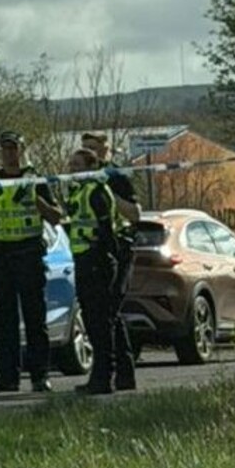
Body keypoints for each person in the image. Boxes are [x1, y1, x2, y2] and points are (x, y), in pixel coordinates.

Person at [0, 130, 64, 393]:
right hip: (1, 257)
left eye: (14, 148)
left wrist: (37, 202)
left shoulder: (35, 179)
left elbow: (57, 217)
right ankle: (8, 377)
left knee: (35, 319)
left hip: (29, 255)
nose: (10, 154)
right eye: (5, 149)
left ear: (21, 149)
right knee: (4, 320)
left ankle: (40, 376)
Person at [82, 132, 142, 390]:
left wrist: (107, 191)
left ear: (105, 150)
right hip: (93, 252)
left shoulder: (115, 176)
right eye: (85, 148)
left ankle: (117, 373)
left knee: (109, 312)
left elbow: (135, 213)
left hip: (118, 247)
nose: (89, 153)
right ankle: (116, 373)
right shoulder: (81, 178)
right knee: (99, 315)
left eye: (94, 149)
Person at [64, 148, 123, 394]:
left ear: (91, 166)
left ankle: (104, 377)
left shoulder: (97, 191)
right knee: (91, 321)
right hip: (83, 260)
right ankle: (98, 376)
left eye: (77, 165)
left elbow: (106, 229)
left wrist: (104, 255)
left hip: (97, 261)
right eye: (72, 165)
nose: (72, 169)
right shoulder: (78, 191)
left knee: (100, 322)